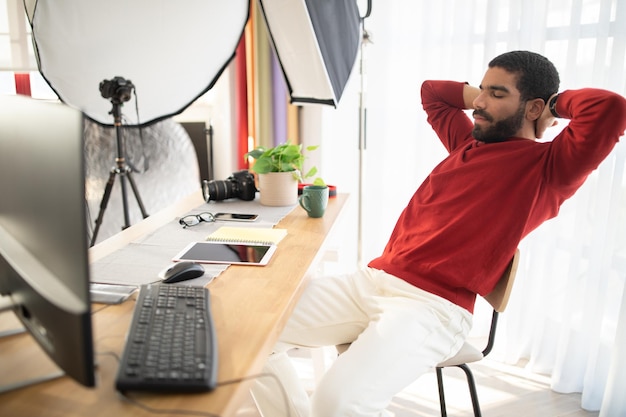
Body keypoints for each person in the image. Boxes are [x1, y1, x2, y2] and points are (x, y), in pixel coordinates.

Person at [251, 50, 626, 417]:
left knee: (336, 403)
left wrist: (553, 106)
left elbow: (609, 108)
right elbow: (432, 92)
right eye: (481, 90)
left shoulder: (550, 168)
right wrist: (487, 95)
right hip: (372, 281)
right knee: (249, 335)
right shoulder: (466, 143)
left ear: (532, 108)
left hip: (433, 307)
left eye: (496, 94)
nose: (478, 103)